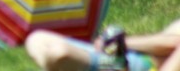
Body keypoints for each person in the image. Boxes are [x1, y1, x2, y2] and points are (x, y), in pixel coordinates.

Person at [25, 19, 180, 71]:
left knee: (59, 53)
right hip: (118, 60)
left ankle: (111, 64)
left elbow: (173, 42)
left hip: (136, 65)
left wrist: (118, 43)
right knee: (36, 38)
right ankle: (110, 65)